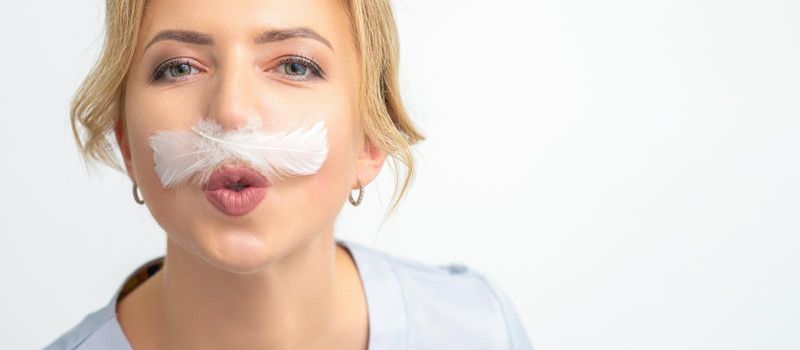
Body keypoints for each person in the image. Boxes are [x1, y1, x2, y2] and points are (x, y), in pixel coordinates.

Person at [45, 0, 534, 349]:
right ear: (128, 143)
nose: (232, 113)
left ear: (370, 140)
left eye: (295, 66)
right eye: (179, 68)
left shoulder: (477, 328)